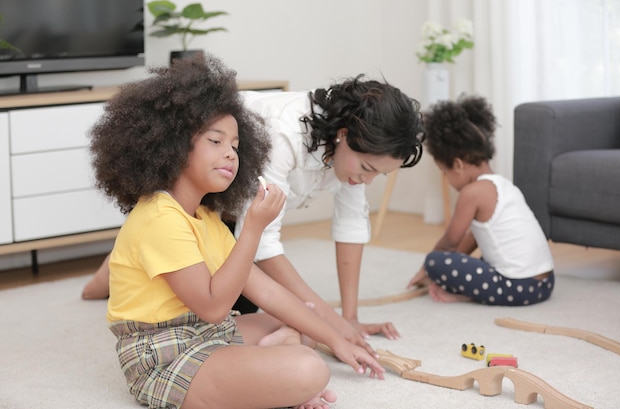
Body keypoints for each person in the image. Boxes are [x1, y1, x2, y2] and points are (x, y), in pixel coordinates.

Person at [96, 54, 384, 409]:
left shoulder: (206, 218)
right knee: (309, 368)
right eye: (215, 142)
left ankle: (261, 378)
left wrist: (335, 338)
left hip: (205, 335)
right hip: (163, 355)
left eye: (235, 145)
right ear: (171, 143)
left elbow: (269, 294)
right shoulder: (160, 218)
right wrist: (254, 229)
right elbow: (215, 306)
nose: (231, 154)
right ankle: (268, 380)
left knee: (300, 323)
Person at [83, 72, 426, 343]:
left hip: (225, 216)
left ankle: (132, 258)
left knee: (243, 299)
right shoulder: (282, 135)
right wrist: (329, 322)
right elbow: (263, 243)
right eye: (366, 169)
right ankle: (119, 266)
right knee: (220, 300)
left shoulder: (353, 157)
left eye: (378, 175)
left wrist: (347, 318)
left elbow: (351, 224)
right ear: (345, 135)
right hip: (200, 194)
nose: (366, 181)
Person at [407, 95, 555, 305]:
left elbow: (450, 241)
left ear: (458, 165)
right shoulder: (503, 185)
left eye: (444, 172)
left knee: (435, 261)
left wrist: (430, 267)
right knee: (485, 255)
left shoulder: (472, 193)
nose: (446, 179)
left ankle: (466, 294)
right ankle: (467, 291)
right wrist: (457, 262)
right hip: (545, 283)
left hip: (520, 287)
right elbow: (475, 237)